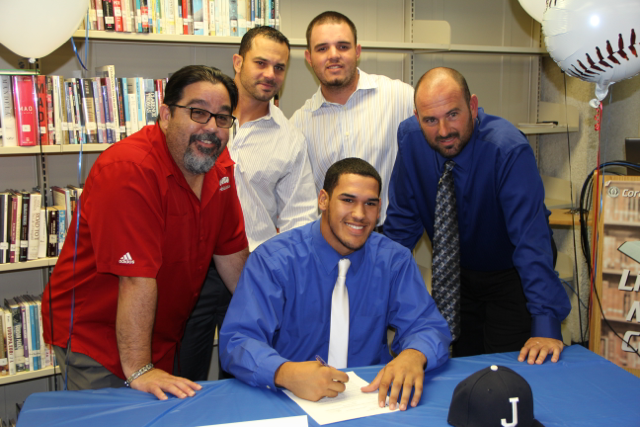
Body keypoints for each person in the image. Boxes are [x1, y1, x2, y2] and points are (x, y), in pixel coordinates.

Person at [42, 65, 250, 400]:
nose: (211, 128)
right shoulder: (130, 170)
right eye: (198, 113)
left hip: (158, 332)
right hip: (96, 336)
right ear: (166, 115)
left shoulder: (218, 166)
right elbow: (135, 278)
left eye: (222, 118)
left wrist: (277, 332)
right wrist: (140, 368)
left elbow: (233, 260)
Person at [220, 158, 451, 411]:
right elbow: (237, 340)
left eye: (370, 204)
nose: (360, 215)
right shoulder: (274, 260)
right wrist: (284, 373)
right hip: (290, 397)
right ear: (323, 200)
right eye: (348, 200)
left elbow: (427, 325)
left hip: (371, 398)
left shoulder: (394, 260)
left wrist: (414, 355)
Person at [384, 67, 572, 365]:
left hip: (511, 277)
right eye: (430, 120)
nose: (443, 130)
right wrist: (375, 292)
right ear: (417, 116)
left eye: (453, 115)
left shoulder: (507, 149)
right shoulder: (411, 139)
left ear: (472, 106)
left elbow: (530, 239)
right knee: (464, 368)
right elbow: (401, 224)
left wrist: (546, 323)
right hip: (458, 277)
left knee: (505, 370)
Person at [176, 27, 318, 382]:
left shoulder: (289, 139)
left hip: (251, 272)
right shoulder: (196, 118)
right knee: (182, 371)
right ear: (238, 62)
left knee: (245, 373)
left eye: (280, 67)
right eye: (261, 63)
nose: (270, 74)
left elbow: (300, 217)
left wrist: (281, 277)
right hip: (191, 268)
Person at [290, 11, 414, 228]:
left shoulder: (400, 97)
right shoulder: (298, 125)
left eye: (343, 46)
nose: (333, 55)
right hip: (329, 243)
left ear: (357, 51)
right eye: (322, 48)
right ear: (309, 58)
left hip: (389, 238)